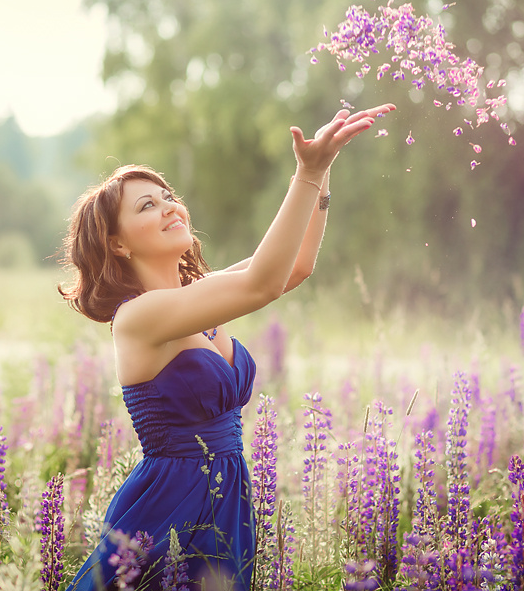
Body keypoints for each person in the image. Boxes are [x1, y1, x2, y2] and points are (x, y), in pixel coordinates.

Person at [58, 105, 392, 590]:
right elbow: (262, 283)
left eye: (168, 196)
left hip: (227, 499)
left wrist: (323, 175)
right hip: (169, 507)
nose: (170, 206)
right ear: (117, 245)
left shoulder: (197, 300)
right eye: (147, 206)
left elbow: (293, 267)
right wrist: (306, 172)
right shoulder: (138, 317)